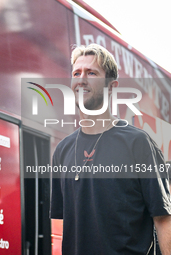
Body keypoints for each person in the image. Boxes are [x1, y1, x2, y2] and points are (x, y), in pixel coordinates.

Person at [50, 44, 171, 255]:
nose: (81, 79)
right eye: (76, 73)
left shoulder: (138, 143)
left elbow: (164, 219)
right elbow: (67, 229)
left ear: (112, 86)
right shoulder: (63, 150)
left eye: (92, 73)